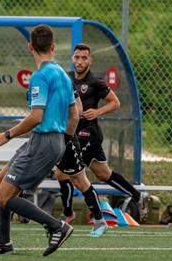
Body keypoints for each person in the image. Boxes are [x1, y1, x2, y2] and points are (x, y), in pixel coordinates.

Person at [0, 25, 76, 256]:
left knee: (4, 196)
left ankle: (57, 226)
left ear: (30, 46)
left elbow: (36, 116)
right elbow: (75, 114)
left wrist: (7, 134)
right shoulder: (63, 74)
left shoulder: (40, 77)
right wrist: (63, 143)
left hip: (42, 141)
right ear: (53, 47)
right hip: (48, 140)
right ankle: (3, 242)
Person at [59, 43, 142, 221]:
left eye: (84, 58)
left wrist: (97, 112)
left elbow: (115, 102)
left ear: (90, 60)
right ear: (72, 59)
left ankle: (68, 214)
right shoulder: (66, 78)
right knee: (103, 173)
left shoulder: (95, 82)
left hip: (88, 134)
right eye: (77, 57)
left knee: (62, 172)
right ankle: (137, 196)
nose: (80, 61)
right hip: (72, 134)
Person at [55, 94, 108, 237]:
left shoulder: (62, 79)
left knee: (80, 181)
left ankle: (99, 220)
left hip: (64, 138)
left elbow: (77, 111)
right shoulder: (39, 79)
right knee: (59, 174)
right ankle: (68, 213)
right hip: (47, 137)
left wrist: (66, 136)